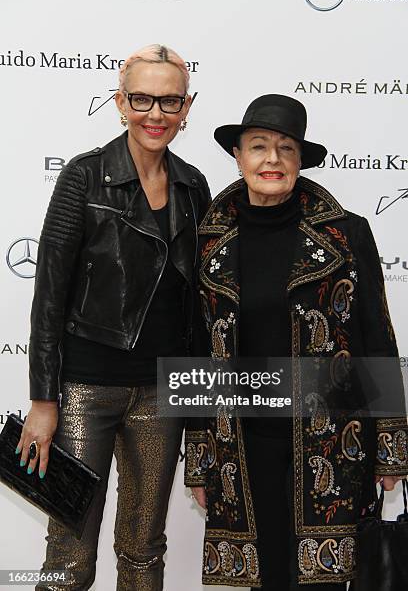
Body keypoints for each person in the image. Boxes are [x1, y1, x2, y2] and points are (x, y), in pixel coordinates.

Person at [185, 94, 408, 590]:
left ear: (300, 161)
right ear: (238, 156)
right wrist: (199, 458)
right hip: (241, 443)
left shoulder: (348, 233)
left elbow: (377, 339)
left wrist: (389, 451)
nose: (272, 160)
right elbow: (199, 348)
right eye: (258, 147)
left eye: (286, 149)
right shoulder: (207, 240)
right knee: (265, 576)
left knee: (322, 581)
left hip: (332, 440)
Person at [16, 44, 211, 591]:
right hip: (84, 388)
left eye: (169, 101)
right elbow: (50, 294)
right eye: (143, 99)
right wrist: (44, 401)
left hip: (162, 392)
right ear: (121, 102)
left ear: (187, 107)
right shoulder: (84, 176)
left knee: (144, 549)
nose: (156, 114)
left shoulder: (194, 185)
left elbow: (198, 308)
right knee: (68, 553)